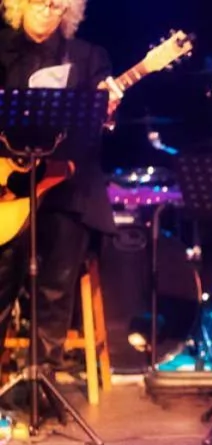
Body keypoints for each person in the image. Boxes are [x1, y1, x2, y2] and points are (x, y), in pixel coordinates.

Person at [0, 0, 119, 383]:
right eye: (38, 2)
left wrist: (106, 109)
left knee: (55, 281)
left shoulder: (88, 57)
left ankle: (42, 378)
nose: (46, 11)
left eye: (56, 5)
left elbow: (95, 130)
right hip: (9, 189)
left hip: (65, 185)